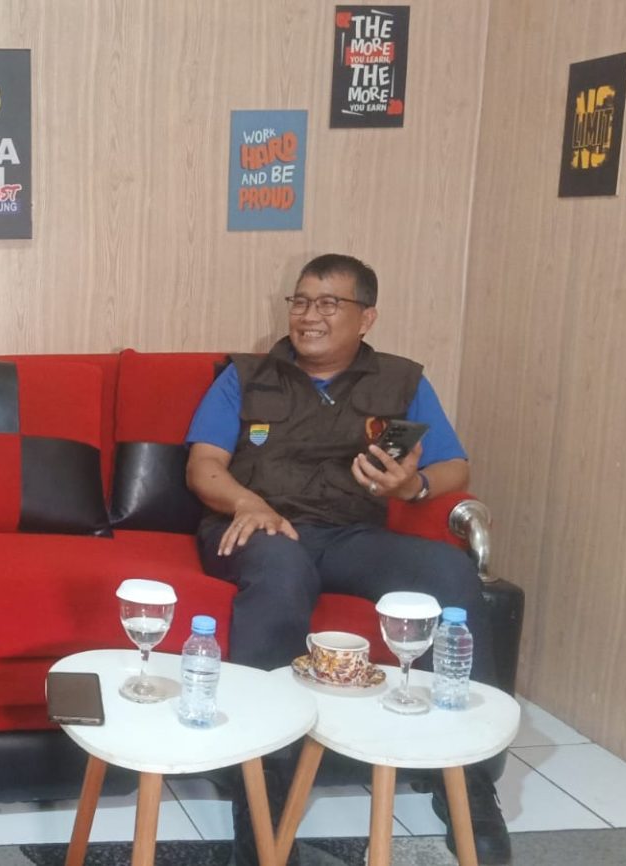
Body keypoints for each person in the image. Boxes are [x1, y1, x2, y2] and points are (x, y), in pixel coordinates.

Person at [184, 254, 509, 866]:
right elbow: (204, 467)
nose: (309, 315)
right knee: (281, 577)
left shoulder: (402, 381)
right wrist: (248, 503)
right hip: (258, 528)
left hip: (351, 535)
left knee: (449, 573)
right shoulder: (245, 376)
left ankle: (467, 784)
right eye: (301, 301)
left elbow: (455, 466)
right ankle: (263, 797)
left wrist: (411, 487)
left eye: (329, 303)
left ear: (366, 318)